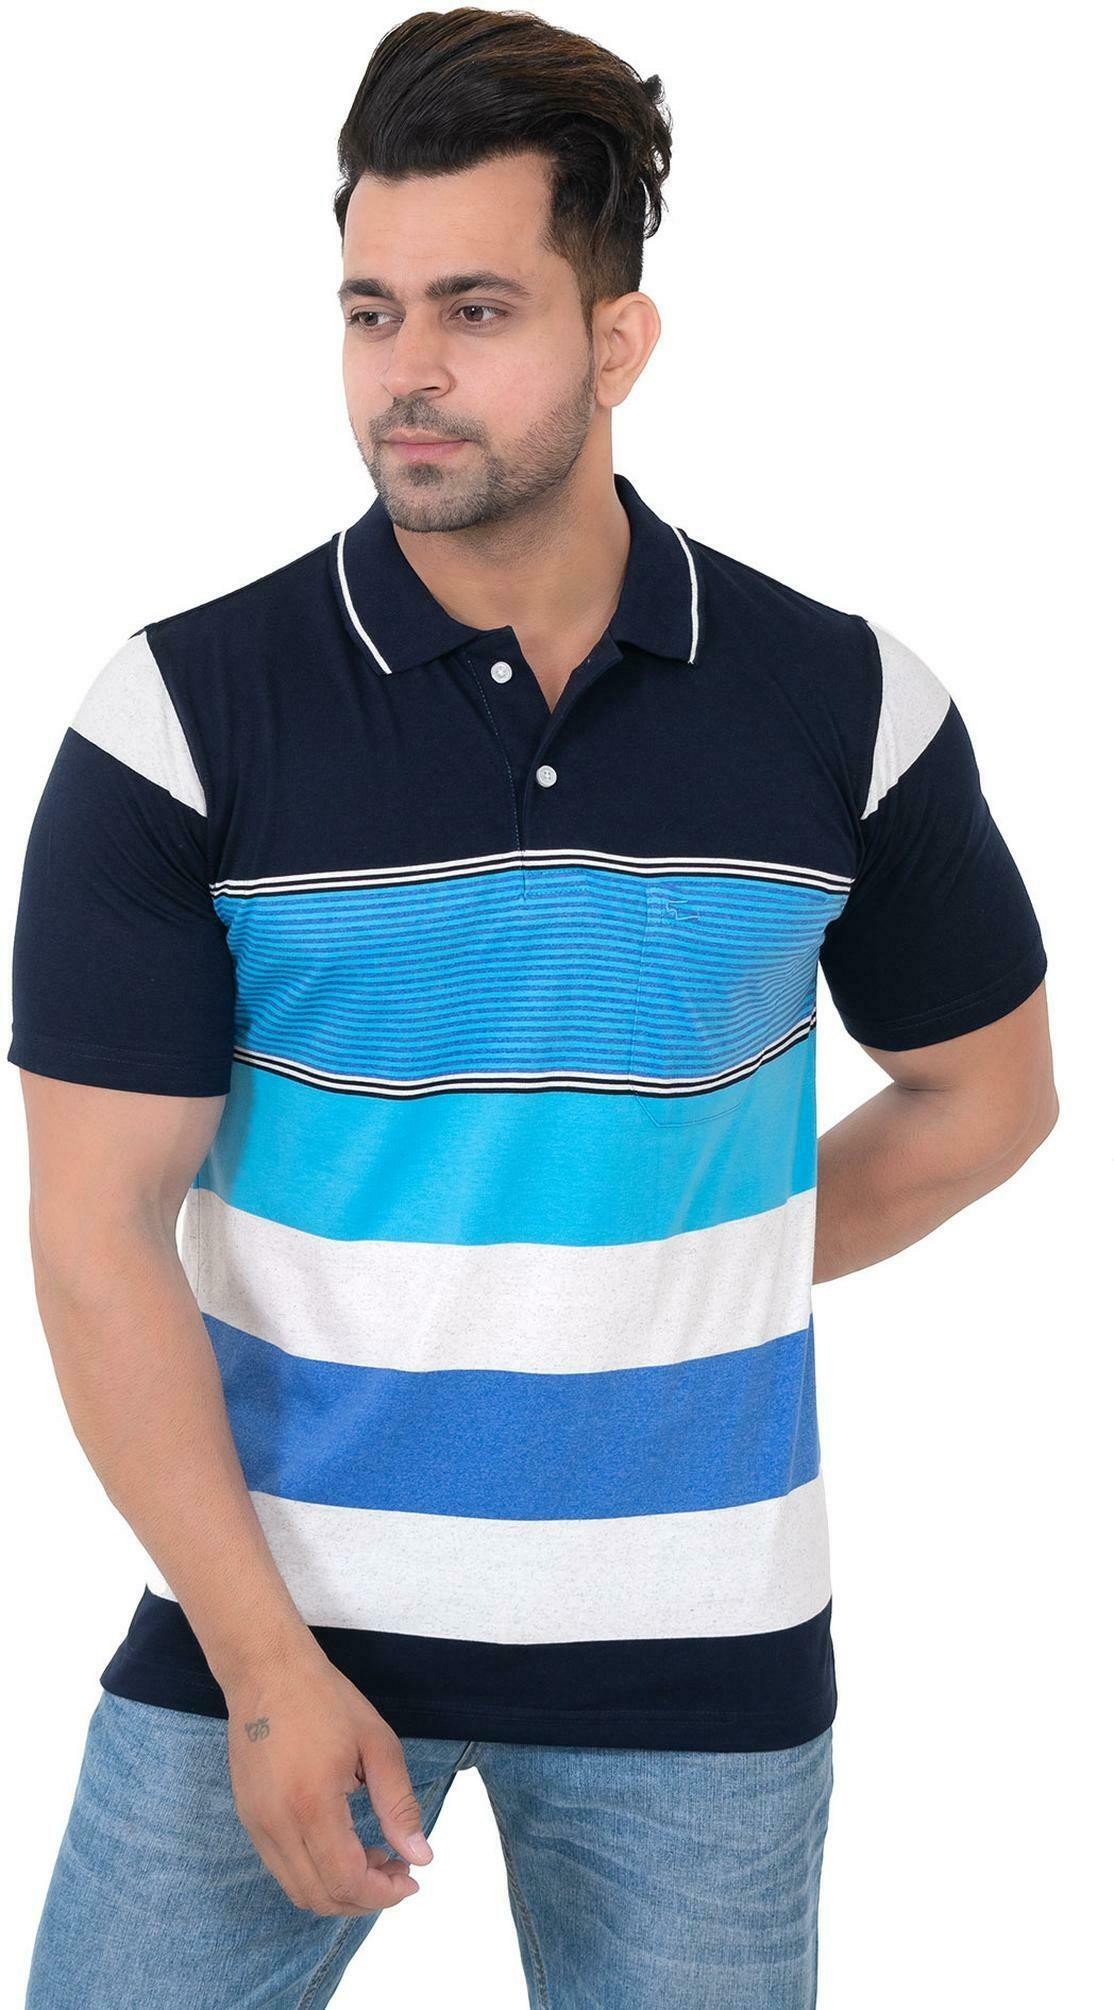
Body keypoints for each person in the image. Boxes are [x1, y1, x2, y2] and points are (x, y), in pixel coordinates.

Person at [9, 9, 1057, 2007]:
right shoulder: (178, 719)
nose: (406, 372)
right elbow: (92, 1231)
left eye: (476, 310)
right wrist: (261, 1667)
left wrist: (663, 1253)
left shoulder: (842, 704)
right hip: (271, 1626)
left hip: (702, 1660)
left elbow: (983, 1103)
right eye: (370, 311)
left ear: (618, 337)